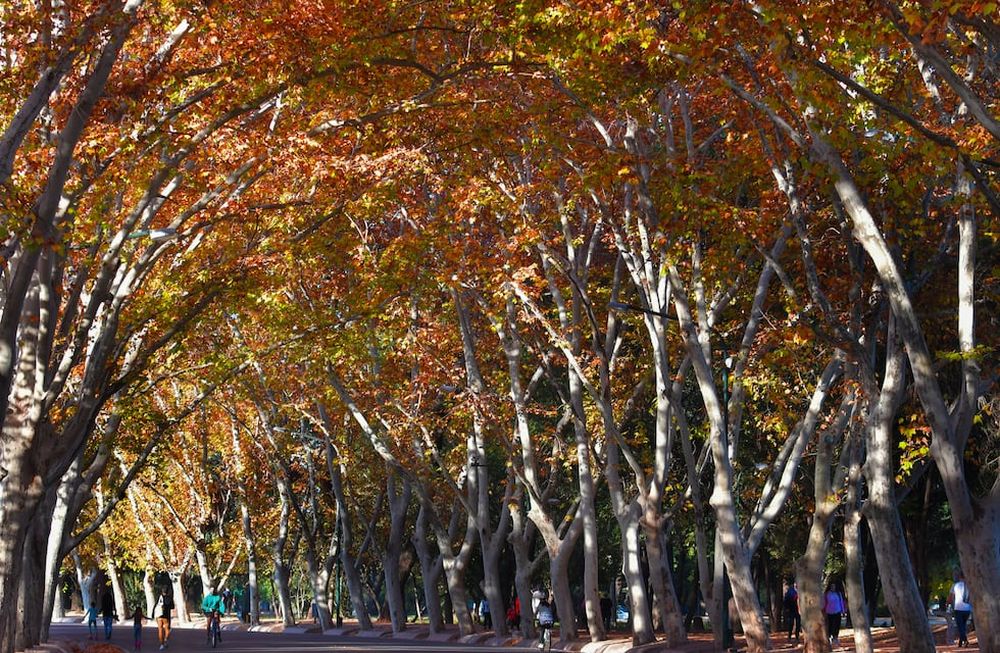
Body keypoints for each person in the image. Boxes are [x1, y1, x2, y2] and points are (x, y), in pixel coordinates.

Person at [949, 568, 973, 648]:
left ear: (959, 577)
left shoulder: (955, 585)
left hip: (958, 608)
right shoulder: (969, 586)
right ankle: (960, 642)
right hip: (967, 609)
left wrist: (951, 605)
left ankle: (965, 641)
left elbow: (951, 598)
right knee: (963, 625)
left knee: (960, 626)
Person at [823, 579, 846, 648]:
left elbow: (841, 602)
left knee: (837, 625)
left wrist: (843, 611)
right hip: (829, 612)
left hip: (837, 611)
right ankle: (829, 637)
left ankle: (835, 637)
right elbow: (824, 603)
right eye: (832, 586)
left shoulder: (838, 594)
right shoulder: (827, 594)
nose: (833, 587)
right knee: (830, 625)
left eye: (834, 586)